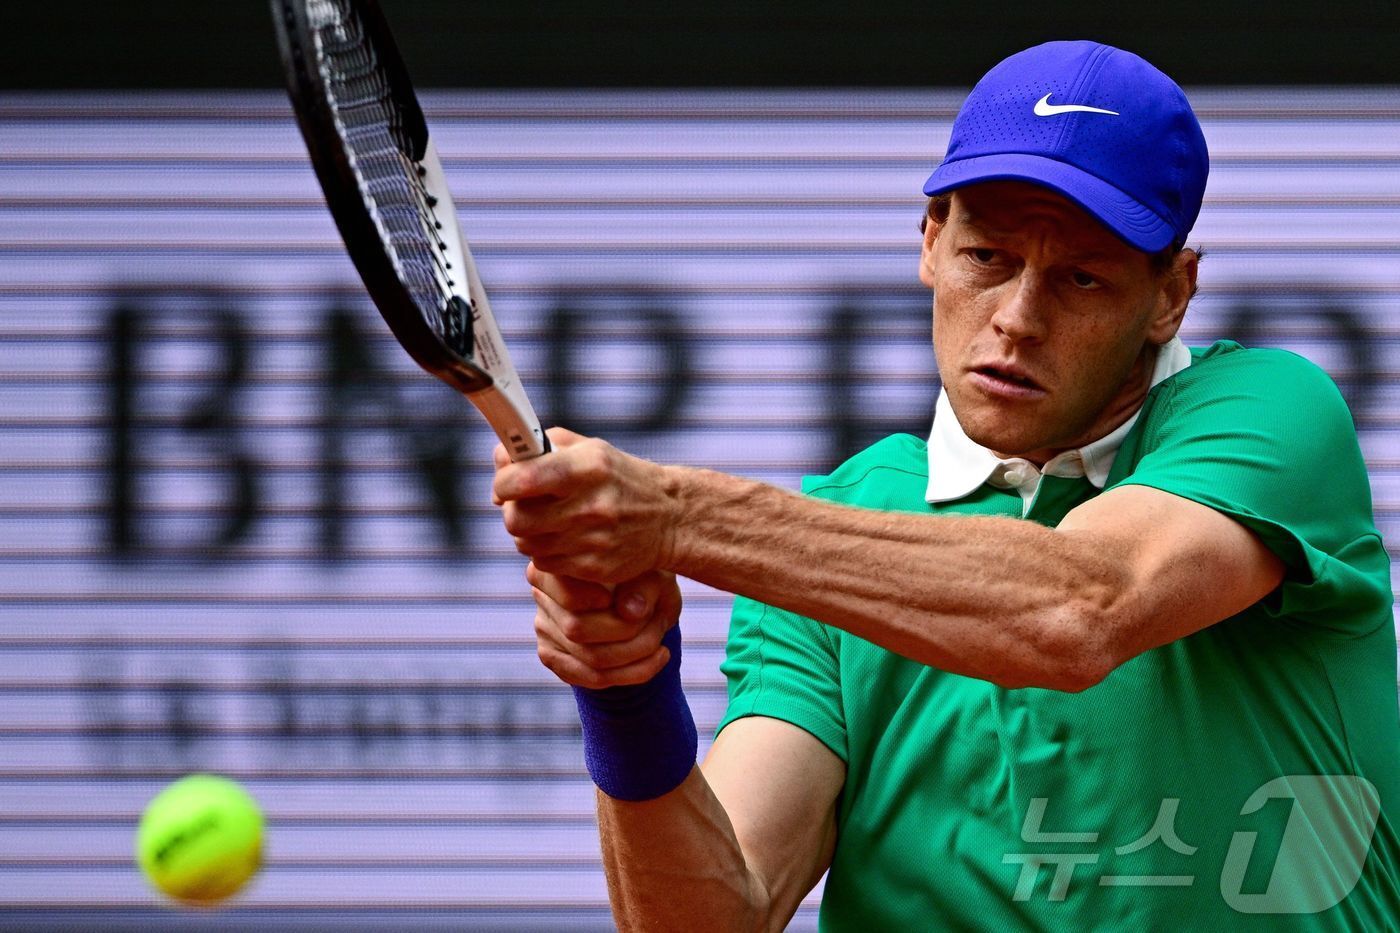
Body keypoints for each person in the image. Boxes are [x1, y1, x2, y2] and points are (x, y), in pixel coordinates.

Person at [493, 40, 1400, 930]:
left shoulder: (1271, 411)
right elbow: (711, 919)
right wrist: (626, 692)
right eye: (988, 257)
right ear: (931, 241)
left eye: (1081, 277)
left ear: (1171, 296)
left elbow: (1079, 608)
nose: (1017, 318)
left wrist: (676, 518)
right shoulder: (834, 533)